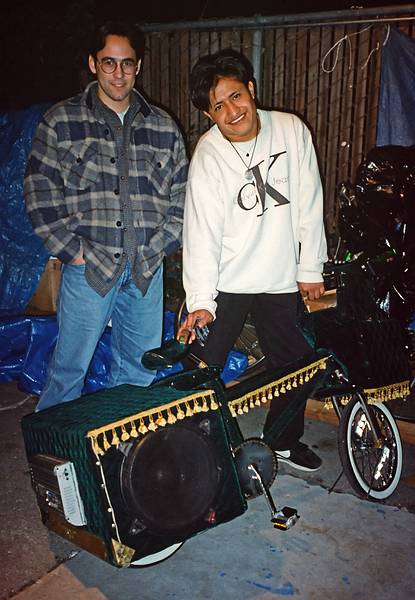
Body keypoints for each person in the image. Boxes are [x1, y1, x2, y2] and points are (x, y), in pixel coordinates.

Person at [24, 21, 188, 412]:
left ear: (139, 66)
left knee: (138, 372)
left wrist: (160, 246)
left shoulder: (162, 126)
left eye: (126, 64)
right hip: (89, 270)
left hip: (146, 271)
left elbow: (184, 197)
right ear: (93, 64)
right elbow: (39, 191)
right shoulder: (61, 122)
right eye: (109, 63)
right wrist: (72, 251)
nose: (118, 73)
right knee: (69, 370)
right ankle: (52, 461)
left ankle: (119, 454)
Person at [177, 49, 327, 471]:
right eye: (218, 106)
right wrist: (201, 299)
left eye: (236, 96)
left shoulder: (290, 131)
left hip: (278, 277)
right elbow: (201, 232)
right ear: (209, 115)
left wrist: (309, 267)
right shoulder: (208, 156)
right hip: (227, 280)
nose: (232, 110)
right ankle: (197, 449)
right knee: (205, 369)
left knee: (296, 365)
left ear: (252, 90)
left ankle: (282, 440)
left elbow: (309, 203)